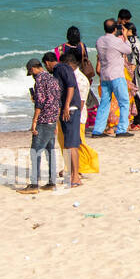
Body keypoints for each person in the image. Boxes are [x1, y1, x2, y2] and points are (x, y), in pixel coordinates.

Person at [22, 58, 60, 192]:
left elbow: (40, 103)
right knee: (50, 152)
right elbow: (56, 101)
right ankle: (51, 182)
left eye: (31, 72)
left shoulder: (39, 80)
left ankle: (34, 184)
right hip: (52, 119)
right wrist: (55, 121)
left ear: (32, 69)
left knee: (35, 151)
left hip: (43, 120)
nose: (32, 75)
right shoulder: (52, 79)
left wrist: (34, 121)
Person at [50, 49, 86, 187]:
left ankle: (76, 176)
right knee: (70, 145)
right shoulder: (71, 75)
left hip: (73, 112)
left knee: (72, 145)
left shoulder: (76, 77)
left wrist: (66, 107)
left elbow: (79, 97)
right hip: (73, 112)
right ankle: (73, 174)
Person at [92, 18, 133, 137]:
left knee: (104, 103)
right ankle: (121, 129)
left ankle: (97, 130)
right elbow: (128, 50)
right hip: (116, 75)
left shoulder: (99, 40)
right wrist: (125, 36)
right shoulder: (116, 41)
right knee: (124, 102)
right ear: (115, 29)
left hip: (105, 75)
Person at [121, 15, 140, 129]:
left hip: (136, 72)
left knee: (139, 95)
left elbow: (135, 59)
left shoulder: (135, 43)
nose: (122, 31)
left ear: (130, 31)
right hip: (130, 70)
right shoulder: (129, 41)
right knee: (133, 96)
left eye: (124, 30)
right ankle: (135, 120)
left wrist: (131, 71)